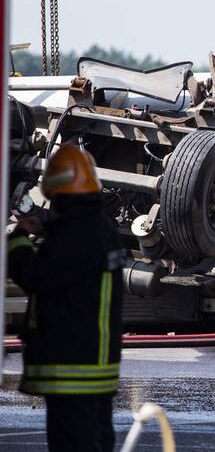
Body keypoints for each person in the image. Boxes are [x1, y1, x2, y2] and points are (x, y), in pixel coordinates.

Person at [6, 144, 125, 452]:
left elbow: (37, 275)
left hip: (72, 369)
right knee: (96, 443)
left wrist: (17, 241)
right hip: (93, 368)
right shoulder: (100, 228)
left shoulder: (77, 233)